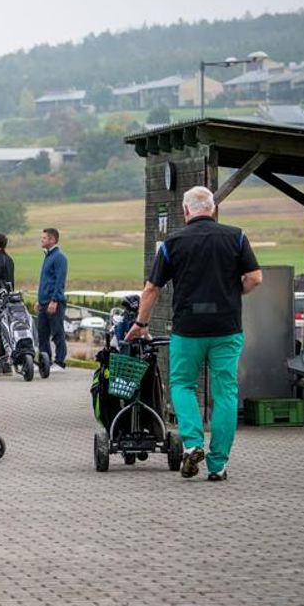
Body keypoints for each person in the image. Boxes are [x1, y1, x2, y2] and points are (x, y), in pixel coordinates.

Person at [126, 185, 262, 482]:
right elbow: (255, 278)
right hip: (226, 328)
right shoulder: (236, 236)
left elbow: (152, 288)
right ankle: (218, 465)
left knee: (182, 384)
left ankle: (192, 444)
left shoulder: (172, 242)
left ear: (186, 210)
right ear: (213, 209)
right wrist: (232, 294)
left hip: (188, 329)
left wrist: (141, 324)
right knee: (225, 393)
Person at [36, 227, 69, 370]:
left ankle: (60, 362)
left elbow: (59, 281)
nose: (41, 240)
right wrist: (39, 300)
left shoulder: (59, 257)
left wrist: (54, 300)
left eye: (44, 238)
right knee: (42, 334)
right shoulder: (48, 256)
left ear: (52, 239)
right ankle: (45, 362)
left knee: (57, 333)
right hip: (43, 302)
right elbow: (45, 281)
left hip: (54, 303)